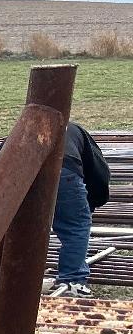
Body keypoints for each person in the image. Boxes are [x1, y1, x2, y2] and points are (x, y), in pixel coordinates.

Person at [47, 121, 113, 298]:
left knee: (19, 227)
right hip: (63, 168)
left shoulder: (30, 125)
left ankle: (14, 275)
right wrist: (91, 204)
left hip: (16, 170)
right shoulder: (79, 135)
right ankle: (72, 282)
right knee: (76, 226)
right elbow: (100, 176)